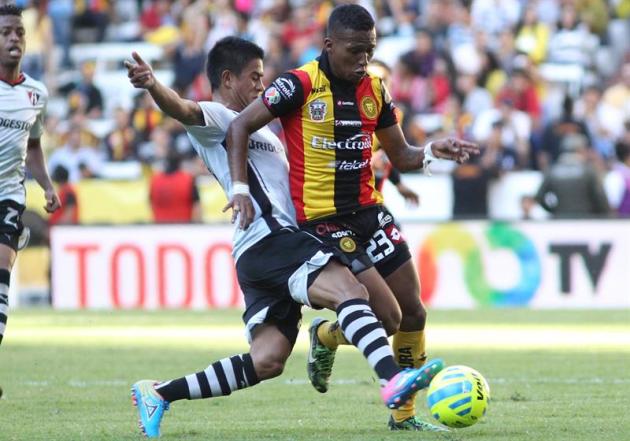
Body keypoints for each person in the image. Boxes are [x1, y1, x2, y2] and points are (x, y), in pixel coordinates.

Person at [124, 36, 444, 438]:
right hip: (272, 240)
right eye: (255, 78)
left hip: (259, 254)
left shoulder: (269, 136)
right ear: (227, 78)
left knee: (268, 360)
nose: (262, 85)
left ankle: (158, 393)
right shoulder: (217, 118)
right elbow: (182, 109)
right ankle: (391, 381)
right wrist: (153, 85)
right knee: (351, 293)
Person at [226, 4, 478, 432]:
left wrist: (433, 151)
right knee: (387, 317)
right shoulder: (299, 84)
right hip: (324, 220)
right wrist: (239, 188)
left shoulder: (375, 89)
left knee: (414, 313)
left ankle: (402, 416)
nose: (362, 60)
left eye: (370, 50)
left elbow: (401, 155)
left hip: (371, 212)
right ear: (329, 45)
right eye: (354, 51)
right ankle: (326, 338)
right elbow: (238, 128)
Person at [0, 4, 60, 347]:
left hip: (8, 195)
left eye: (19, 32)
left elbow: (33, 145)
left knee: (1, 279)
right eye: (6, 32)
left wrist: (47, 186)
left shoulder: (36, 94)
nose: (14, 38)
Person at [148, 149, 201, 223]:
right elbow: (197, 206)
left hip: (160, 227)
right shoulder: (188, 179)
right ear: (180, 163)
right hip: (183, 227)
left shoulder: (155, 180)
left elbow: (151, 203)